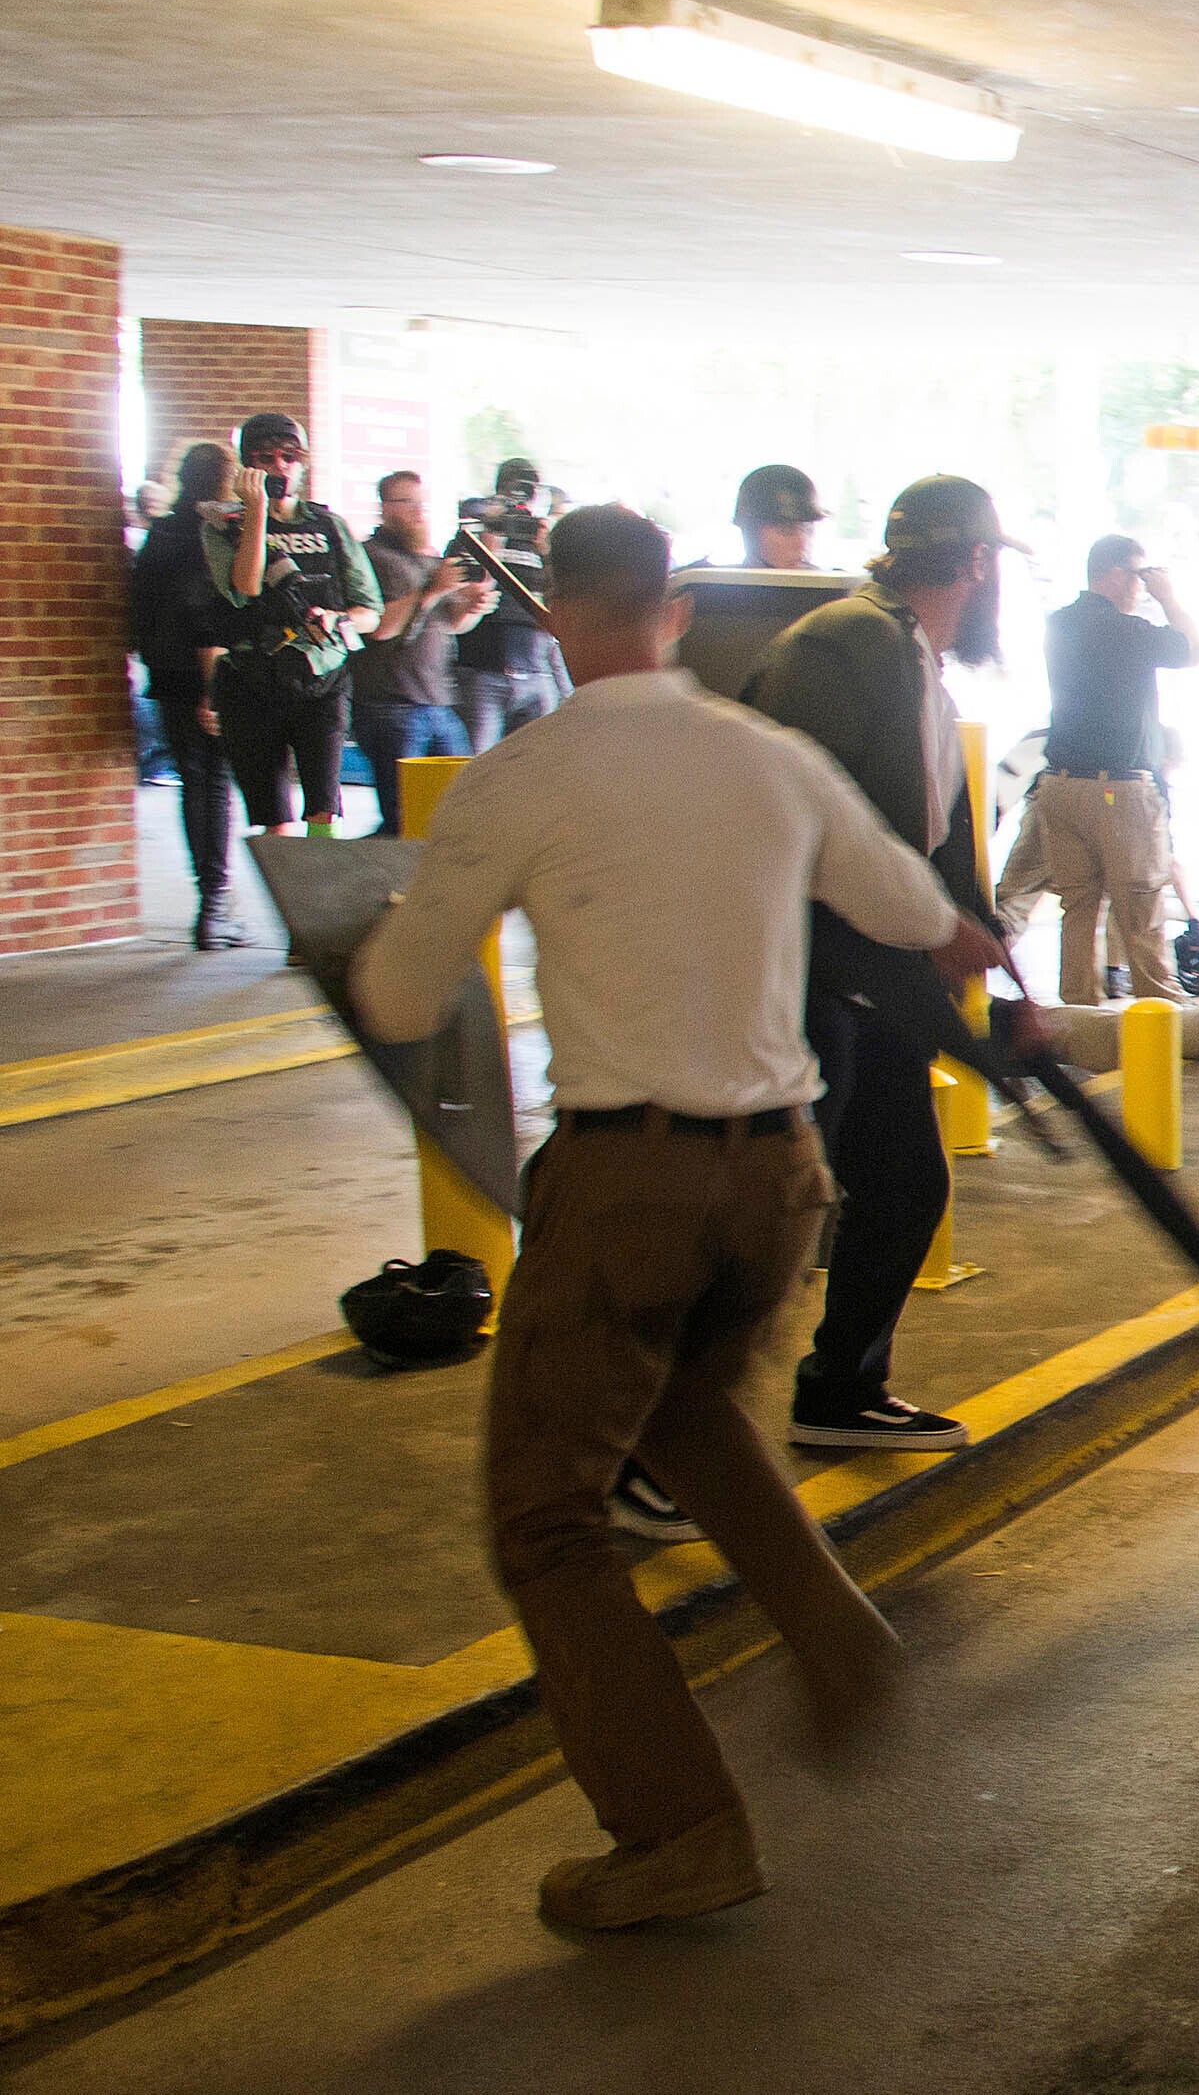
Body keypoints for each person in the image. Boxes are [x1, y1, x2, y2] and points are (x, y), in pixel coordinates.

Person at [353, 503, 997, 1930]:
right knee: (685, 1408)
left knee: (545, 1517)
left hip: (627, 1181)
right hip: (777, 1182)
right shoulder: (772, 757)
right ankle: (838, 1634)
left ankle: (678, 1826)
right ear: (678, 613)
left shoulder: (523, 774)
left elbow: (403, 999)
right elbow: (911, 911)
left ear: (556, 616)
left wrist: (366, 945)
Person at [742, 475, 1026, 1451]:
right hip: (806, 980)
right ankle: (673, 1432)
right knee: (770, 1218)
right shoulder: (844, 647)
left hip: (869, 981)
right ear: (980, 566)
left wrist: (969, 921)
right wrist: (929, 926)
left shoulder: (909, 660)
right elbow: (802, 828)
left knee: (903, 1183)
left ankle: (839, 1391)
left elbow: (925, 830)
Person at [1023, 534, 1199, 1004]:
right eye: (1138, 577)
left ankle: (1080, 1021)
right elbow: (1193, 649)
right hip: (1117, 792)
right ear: (1114, 574)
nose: (1141, 589)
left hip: (1059, 788)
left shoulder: (1058, 625)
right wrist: (1169, 597)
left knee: (1078, 909)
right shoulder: (1124, 630)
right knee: (1141, 909)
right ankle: (1161, 1020)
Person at [201, 410, 379, 837]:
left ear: (302, 462)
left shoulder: (329, 526)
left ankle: (322, 899)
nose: (278, 466)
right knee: (274, 819)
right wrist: (257, 510)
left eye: (288, 456)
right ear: (248, 466)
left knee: (323, 809)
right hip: (253, 679)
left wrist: (337, 619)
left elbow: (370, 611)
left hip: (321, 677)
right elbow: (244, 585)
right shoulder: (223, 526)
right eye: (264, 457)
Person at [131, 444, 241, 947]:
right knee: (213, 785)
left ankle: (212, 901)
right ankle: (215, 906)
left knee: (196, 782)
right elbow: (205, 612)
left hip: (166, 673)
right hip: (207, 672)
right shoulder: (212, 530)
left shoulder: (161, 532)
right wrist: (213, 689)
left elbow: (139, 612)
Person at [348, 470, 488, 838]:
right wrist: (431, 591)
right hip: (391, 705)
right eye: (407, 502)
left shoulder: (427, 558)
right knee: (402, 820)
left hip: (437, 703)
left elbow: (451, 625)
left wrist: (471, 606)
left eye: (421, 502)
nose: (417, 511)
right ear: (384, 508)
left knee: (459, 810)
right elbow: (380, 628)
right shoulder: (371, 556)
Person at [455, 455, 565, 750]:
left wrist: (547, 552)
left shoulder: (540, 536)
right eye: (516, 488)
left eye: (530, 490)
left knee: (539, 768)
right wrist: (492, 543)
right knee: (477, 767)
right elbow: (460, 599)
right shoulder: (475, 532)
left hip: (536, 669)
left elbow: (562, 599)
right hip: (484, 670)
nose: (522, 499)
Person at [731, 463, 828, 569]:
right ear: (750, 531)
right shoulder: (717, 582)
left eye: (808, 530)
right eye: (786, 531)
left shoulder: (831, 584)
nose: (802, 544)